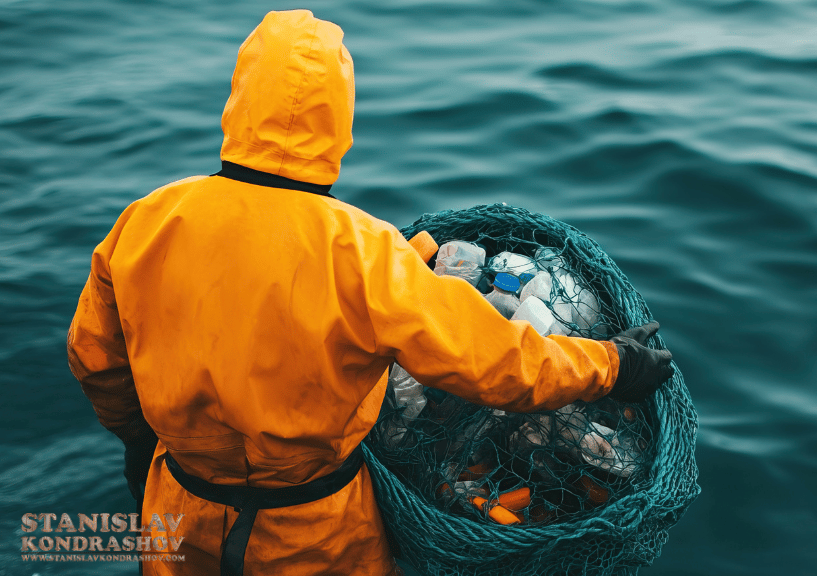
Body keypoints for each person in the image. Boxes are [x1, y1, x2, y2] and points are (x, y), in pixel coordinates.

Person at [67, 9, 673, 576]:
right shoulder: (362, 250)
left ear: (239, 101)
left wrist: (138, 439)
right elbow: (493, 360)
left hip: (179, 509)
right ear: (339, 121)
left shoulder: (148, 220)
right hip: (315, 531)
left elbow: (93, 357)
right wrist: (612, 363)